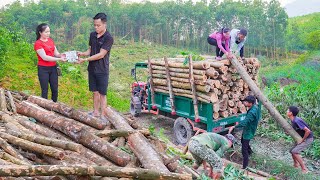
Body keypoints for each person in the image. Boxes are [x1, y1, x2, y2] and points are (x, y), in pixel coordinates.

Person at [77, 13, 114, 119]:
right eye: (95, 25)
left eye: (98, 25)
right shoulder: (92, 35)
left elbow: (101, 54)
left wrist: (85, 60)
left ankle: (103, 115)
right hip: (92, 68)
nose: (96, 27)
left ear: (104, 24)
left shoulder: (108, 38)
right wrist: (83, 54)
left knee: (102, 93)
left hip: (102, 69)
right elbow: (90, 50)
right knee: (95, 91)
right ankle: (95, 112)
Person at [34, 23, 66, 102]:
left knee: (55, 88)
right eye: (46, 32)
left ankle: (54, 105)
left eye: (49, 31)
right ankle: (44, 107)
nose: (48, 34)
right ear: (40, 33)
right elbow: (44, 57)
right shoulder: (38, 43)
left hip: (53, 68)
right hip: (43, 69)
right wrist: (59, 59)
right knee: (45, 89)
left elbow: (56, 53)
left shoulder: (51, 41)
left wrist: (62, 55)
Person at [229, 95, 260, 169]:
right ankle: (250, 153)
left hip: (249, 130)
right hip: (249, 128)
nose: (244, 103)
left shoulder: (252, 112)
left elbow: (245, 122)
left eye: (246, 102)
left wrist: (234, 126)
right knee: (243, 141)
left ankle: (244, 166)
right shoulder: (255, 107)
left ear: (250, 103)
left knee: (244, 149)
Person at [287, 106, 313, 173]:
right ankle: (296, 165)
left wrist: (302, 140)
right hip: (301, 138)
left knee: (294, 152)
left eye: (288, 110)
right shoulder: (293, 120)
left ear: (291, 113)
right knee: (292, 150)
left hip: (308, 138)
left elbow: (308, 131)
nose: (286, 111)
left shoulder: (296, 120)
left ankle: (304, 169)